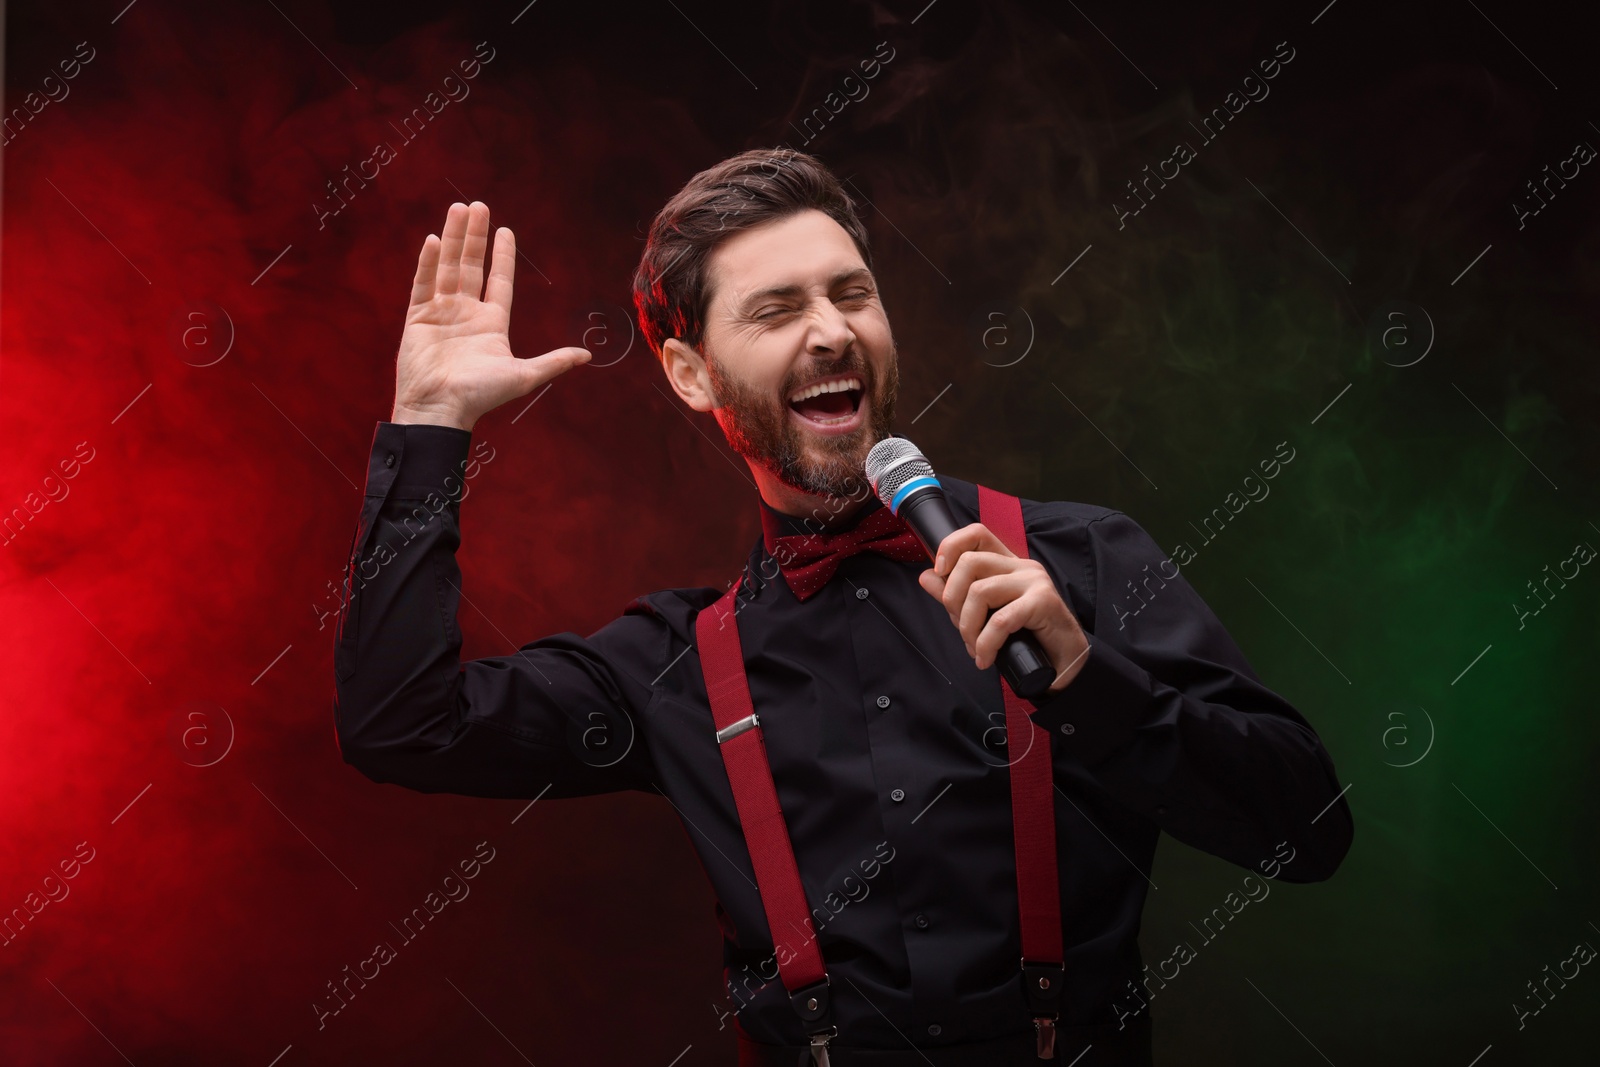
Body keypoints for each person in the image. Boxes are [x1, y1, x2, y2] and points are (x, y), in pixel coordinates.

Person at [332, 148, 1353, 1066]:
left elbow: (1305, 832)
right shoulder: (672, 665)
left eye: (852, 294)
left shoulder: (1081, 557)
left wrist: (1091, 682)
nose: (831, 331)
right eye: (777, 310)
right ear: (691, 373)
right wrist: (430, 428)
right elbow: (402, 725)